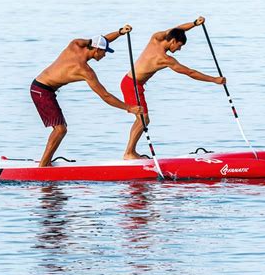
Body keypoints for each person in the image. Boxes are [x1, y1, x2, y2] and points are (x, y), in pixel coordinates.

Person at [31, 25, 143, 167]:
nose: (104, 55)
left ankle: (45, 162)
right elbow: (105, 95)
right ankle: (43, 166)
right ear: (97, 50)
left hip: (40, 88)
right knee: (60, 130)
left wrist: (120, 33)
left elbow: (100, 40)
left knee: (60, 128)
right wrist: (129, 108)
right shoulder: (84, 70)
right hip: (42, 91)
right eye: (104, 52)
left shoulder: (75, 44)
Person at [120, 16, 226, 160]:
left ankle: (130, 152)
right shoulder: (165, 59)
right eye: (180, 46)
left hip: (131, 82)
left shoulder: (155, 38)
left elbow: (177, 29)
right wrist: (214, 80)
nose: (179, 49)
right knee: (143, 118)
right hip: (132, 85)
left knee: (142, 118)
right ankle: (129, 153)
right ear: (173, 41)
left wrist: (194, 24)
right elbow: (190, 72)